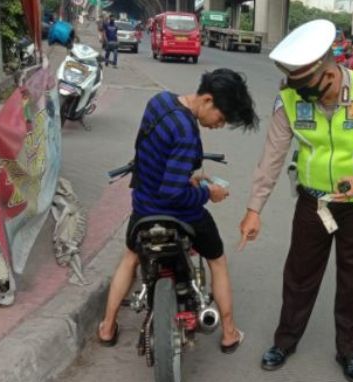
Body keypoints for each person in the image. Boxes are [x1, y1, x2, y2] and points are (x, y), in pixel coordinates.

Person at [238, 19, 353, 382]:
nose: (304, 97)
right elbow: (272, 156)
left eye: (310, 89)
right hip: (313, 202)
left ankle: (349, 352)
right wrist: (254, 209)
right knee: (299, 275)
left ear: (329, 74)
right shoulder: (290, 97)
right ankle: (285, 342)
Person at [97, 69, 259, 354]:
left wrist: (186, 177)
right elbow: (173, 194)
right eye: (221, 119)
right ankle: (230, 332)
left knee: (131, 257)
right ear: (207, 100)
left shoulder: (159, 102)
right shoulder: (186, 132)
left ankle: (107, 326)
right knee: (217, 260)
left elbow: (153, 156)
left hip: (144, 209)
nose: (218, 126)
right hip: (178, 214)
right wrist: (208, 193)